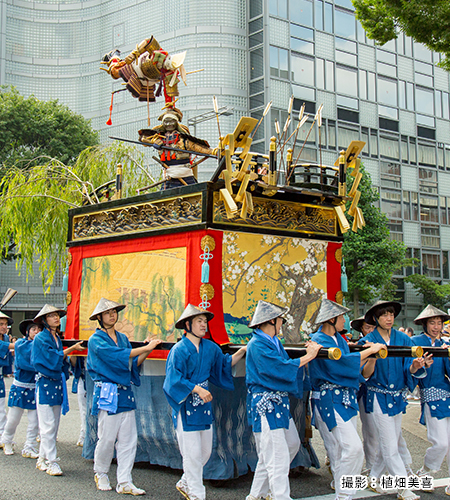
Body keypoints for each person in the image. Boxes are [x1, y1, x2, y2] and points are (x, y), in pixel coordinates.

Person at [163, 304, 247, 500]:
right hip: (186, 405)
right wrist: (197, 388)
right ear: (187, 325)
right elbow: (173, 380)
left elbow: (223, 366)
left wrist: (242, 351)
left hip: (203, 405)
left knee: (205, 452)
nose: (204, 325)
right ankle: (196, 494)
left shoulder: (210, 348)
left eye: (205, 321)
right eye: (199, 321)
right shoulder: (179, 350)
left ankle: (185, 481)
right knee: (192, 453)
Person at [244, 300, 321, 500]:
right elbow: (280, 367)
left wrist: (306, 355)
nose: (282, 324)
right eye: (281, 320)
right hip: (267, 405)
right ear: (271, 321)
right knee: (277, 457)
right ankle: (280, 496)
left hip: (276, 405)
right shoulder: (258, 344)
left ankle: (256, 495)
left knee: (288, 446)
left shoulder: (272, 342)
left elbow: (284, 365)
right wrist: (309, 356)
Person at [309, 299, 384, 500]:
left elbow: (359, 371)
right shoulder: (318, 340)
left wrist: (372, 357)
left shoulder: (340, 340)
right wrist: (369, 350)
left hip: (346, 399)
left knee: (342, 450)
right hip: (328, 400)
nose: (345, 320)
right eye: (342, 316)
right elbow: (342, 362)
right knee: (350, 448)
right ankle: (344, 495)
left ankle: (342, 492)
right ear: (331, 319)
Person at [87, 298, 162, 495]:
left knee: (128, 439)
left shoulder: (123, 338)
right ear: (100, 317)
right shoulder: (96, 340)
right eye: (108, 312)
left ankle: (125, 480)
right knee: (107, 438)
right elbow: (116, 356)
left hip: (124, 393)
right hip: (108, 393)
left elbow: (132, 363)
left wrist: (147, 350)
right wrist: (145, 348)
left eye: (114, 312)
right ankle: (101, 472)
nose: (112, 315)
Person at [360, 300, 430, 500]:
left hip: (397, 397)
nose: (389, 318)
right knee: (390, 443)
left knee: (389, 439)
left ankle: (374, 477)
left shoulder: (403, 338)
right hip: (378, 396)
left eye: (391, 314)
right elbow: (365, 374)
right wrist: (372, 355)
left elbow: (410, 367)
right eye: (384, 315)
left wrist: (416, 365)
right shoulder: (369, 339)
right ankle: (402, 486)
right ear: (376, 318)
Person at [31, 304, 85, 475]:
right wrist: (73, 349)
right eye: (51, 316)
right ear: (45, 320)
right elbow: (53, 357)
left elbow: (58, 358)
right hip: (45, 382)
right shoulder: (41, 338)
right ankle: (52, 461)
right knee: (47, 426)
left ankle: (42, 459)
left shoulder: (55, 338)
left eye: (56, 315)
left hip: (55, 382)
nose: (56, 318)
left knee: (53, 426)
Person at [411, 305, 450, 494]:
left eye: (439, 323)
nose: (436, 326)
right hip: (431, 397)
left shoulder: (446, 344)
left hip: (448, 395)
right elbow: (410, 371)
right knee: (441, 442)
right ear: (425, 324)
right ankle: (424, 472)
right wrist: (421, 365)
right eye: (432, 323)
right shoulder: (415, 342)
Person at [139, 102, 216, 190]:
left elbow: (200, 148)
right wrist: (153, 141)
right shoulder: (159, 137)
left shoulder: (183, 140)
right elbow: (143, 138)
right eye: (166, 122)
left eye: (171, 121)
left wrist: (214, 152)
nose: (168, 124)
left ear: (176, 122)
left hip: (186, 177)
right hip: (169, 177)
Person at [2, 319, 42, 457]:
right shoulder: (20, 344)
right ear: (27, 332)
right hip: (20, 387)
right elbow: (25, 364)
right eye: (34, 329)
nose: (37, 332)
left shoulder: (42, 344)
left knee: (34, 420)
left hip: (35, 387)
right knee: (13, 418)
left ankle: (30, 446)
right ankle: (7, 440)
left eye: (39, 329)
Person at [0, 311, 15, 442]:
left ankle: (2, 436)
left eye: (5, 324)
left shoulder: (5, 338)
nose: (4, 327)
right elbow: (9, 346)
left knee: (1, 408)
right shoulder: (5, 341)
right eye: (1, 324)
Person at [70, 355, 87, 447]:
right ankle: (83, 434)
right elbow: (74, 363)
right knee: (83, 409)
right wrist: (73, 351)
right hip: (83, 377)